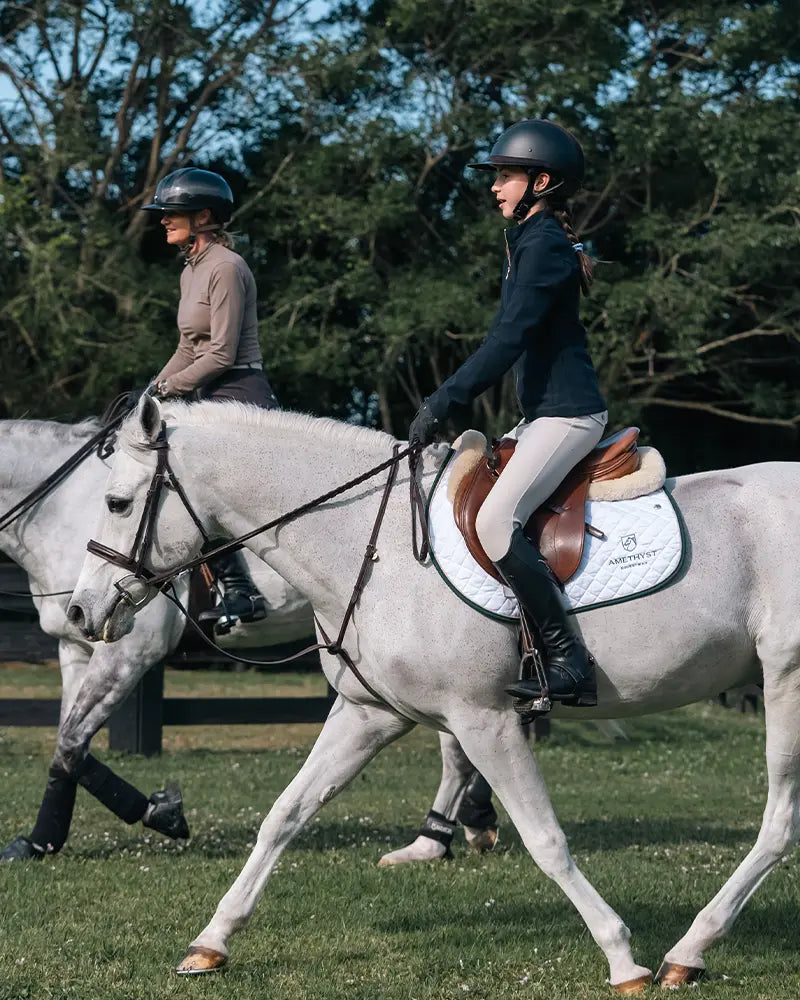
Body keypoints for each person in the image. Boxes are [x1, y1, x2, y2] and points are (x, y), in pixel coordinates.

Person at [408, 119, 608, 707]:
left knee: (496, 523)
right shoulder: (529, 239)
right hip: (544, 415)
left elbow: (506, 341)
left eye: (506, 176)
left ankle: (569, 661)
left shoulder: (542, 245)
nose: (495, 187)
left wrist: (443, 401)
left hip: (568, 416)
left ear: (540, 182)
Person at [142, 167, 279, 625]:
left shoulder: (226, 267)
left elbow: (220, 352)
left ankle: (241, 590)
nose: (163, 219)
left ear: (203, 216)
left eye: (172, 212)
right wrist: (150, 391)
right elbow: (188, 348)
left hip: (239, 390)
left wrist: (169, 388)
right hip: (206, 391)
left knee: (190, 483)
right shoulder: (191, 271)